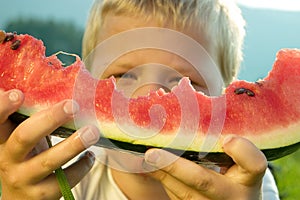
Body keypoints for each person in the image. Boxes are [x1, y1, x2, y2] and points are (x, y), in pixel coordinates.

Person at [0, 0, 280, 199]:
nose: (149, 99)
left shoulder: (245, 185)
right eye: (123, 76)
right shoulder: (58, 169)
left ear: (229, 98)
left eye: (186, 83)